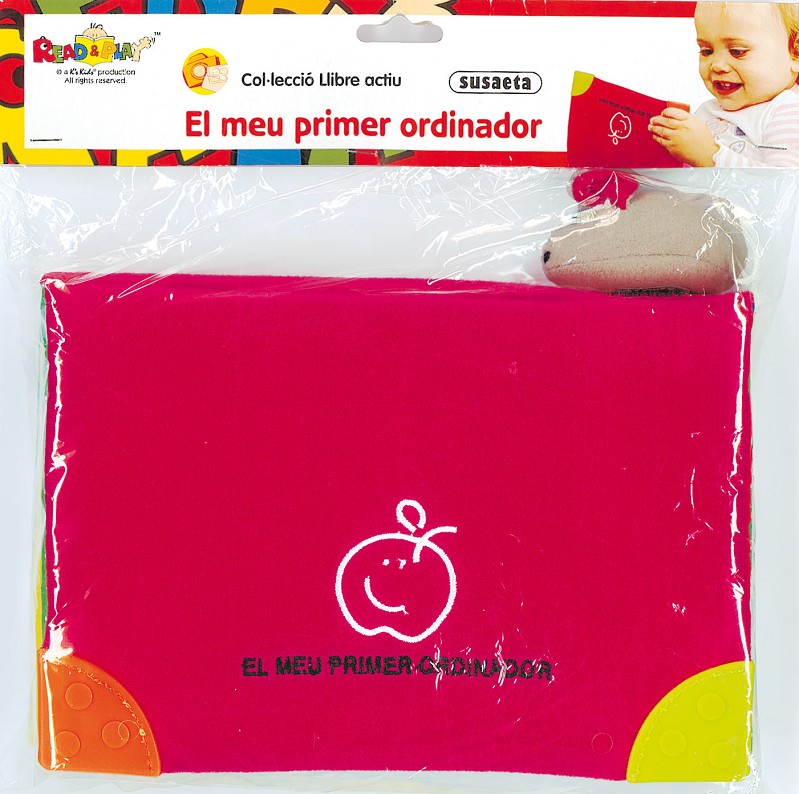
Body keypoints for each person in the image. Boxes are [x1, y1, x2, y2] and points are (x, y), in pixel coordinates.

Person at [649, 2, 799, 166]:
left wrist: (708, 155)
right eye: (707, 51)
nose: (717, 65)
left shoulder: (788, 111)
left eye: (737, 51)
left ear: (795, 53)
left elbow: (783, 180)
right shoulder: (708, 110)